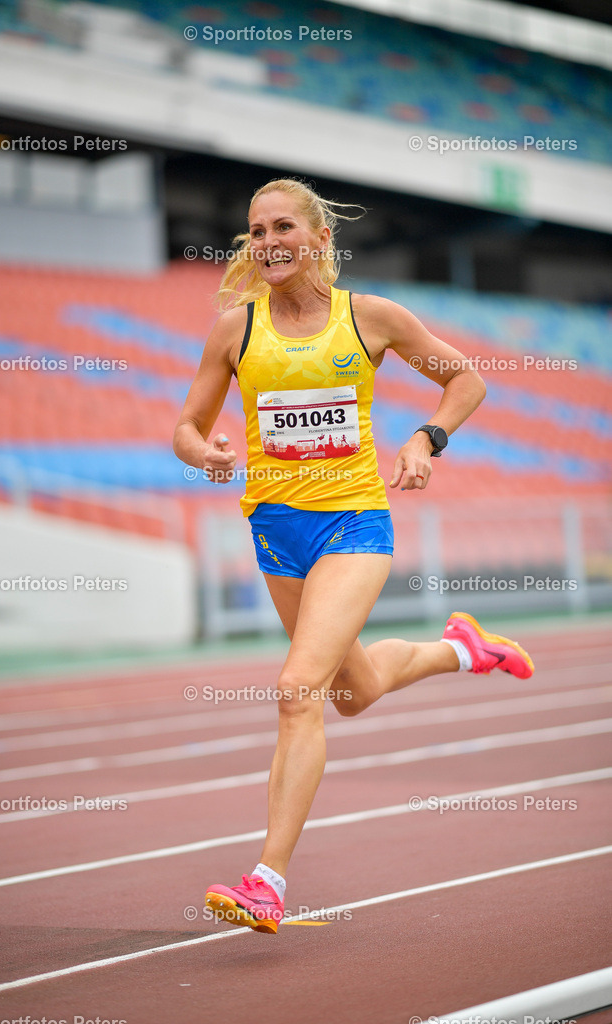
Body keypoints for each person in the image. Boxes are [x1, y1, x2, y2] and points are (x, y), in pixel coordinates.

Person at [172, 178, 534, 936]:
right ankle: (460, 650)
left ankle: (266, 881)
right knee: (353, 691)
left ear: (319, 239)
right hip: (275, 529)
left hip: (353, 526)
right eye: (256, 231)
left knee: (296, 690)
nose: (268, 242)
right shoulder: (234, 330)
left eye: (282, 228)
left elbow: (466, 379)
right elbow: (186, 426)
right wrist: (204, 453)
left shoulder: (368, 317)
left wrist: (425, 438)